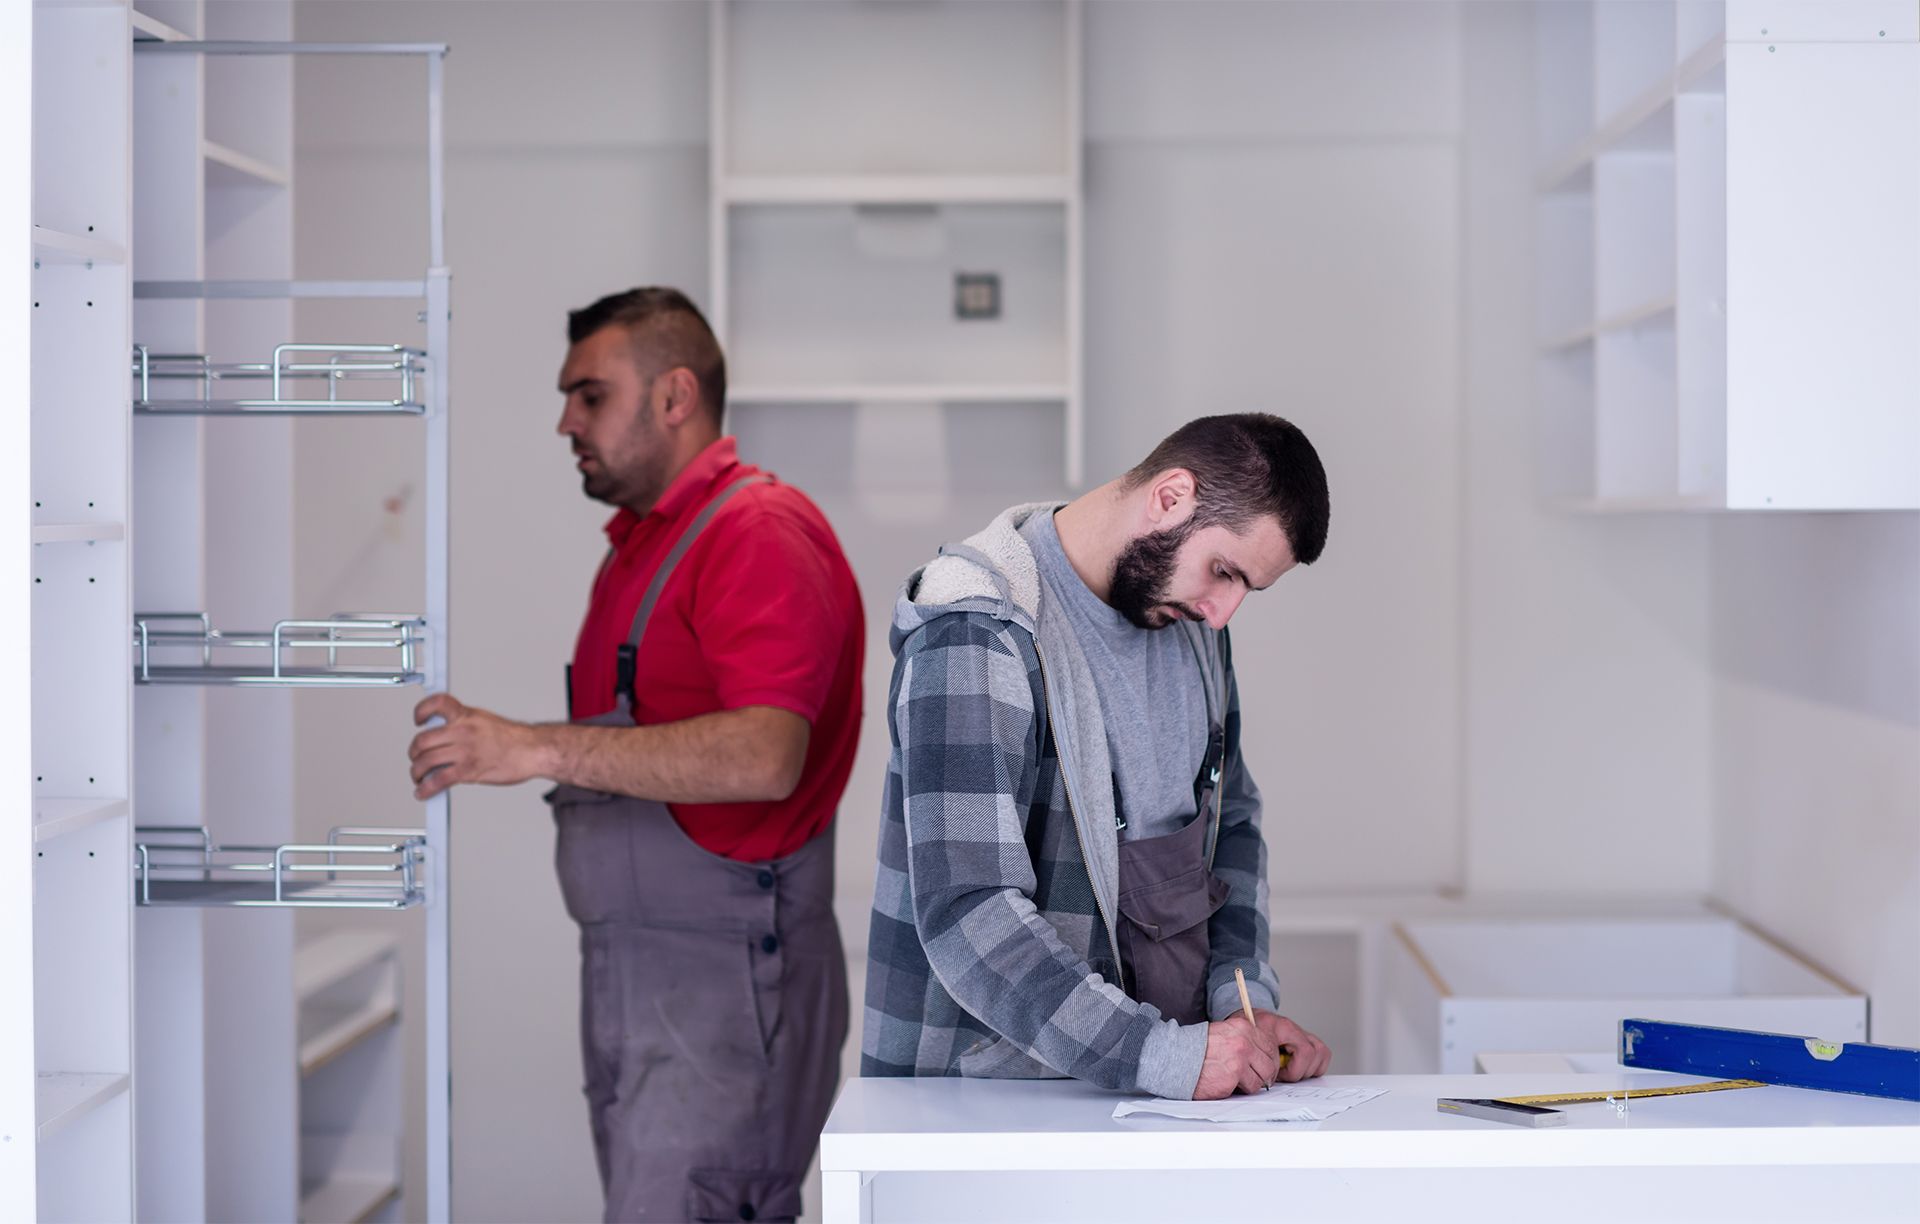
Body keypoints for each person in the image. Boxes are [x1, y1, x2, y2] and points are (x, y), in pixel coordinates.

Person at [405, 287, 864, 1223]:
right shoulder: (646, 548)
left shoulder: (754, 533)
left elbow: (763, 756)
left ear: (674, 396)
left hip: (725, 981)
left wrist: (530, 747)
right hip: (648, 977)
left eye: (590, 395)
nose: (564, 421)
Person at [862, 413, 1333, 1100]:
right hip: (978, 1105)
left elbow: (1231, 824)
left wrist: (1242, 1006)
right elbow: (971, 915)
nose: (1223, 612)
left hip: (1146, 1101)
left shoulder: (1191, 628)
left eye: (1244, 590)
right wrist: (1162, 1058)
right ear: (1170, 497)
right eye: (1223, 572)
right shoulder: (976, 631)